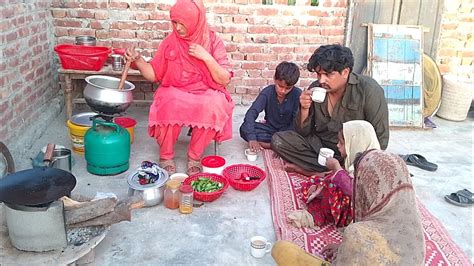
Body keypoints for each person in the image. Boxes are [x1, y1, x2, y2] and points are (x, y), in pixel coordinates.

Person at [125, 0, 234, 175]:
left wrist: (206, 57)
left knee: (214, 104)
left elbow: (224, 79)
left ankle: (194, 157)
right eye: (174, 22)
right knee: (168, 100)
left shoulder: (213, 42)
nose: (177, 28)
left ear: (194, 21)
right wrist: (138, 60)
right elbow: (154, 74)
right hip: (176, 90)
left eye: (181, 23)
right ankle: (166, 155)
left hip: (205, 92)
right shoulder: (171, 42)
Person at [272, 150, 425, 265]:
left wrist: (348, 249)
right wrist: (344, 248)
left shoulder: (358, 234)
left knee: (282, 249)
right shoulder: (416, 235)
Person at [271, 44, 389, 176]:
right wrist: (304, 108)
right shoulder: (316, 89)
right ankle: (332, 171)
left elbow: (381, 140)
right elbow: (303, 132)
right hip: (320, 147)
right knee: (278, 140)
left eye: (328, 74)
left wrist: (356, 161)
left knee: (368, 165)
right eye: (318, 74)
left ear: (345, 72)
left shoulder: (369, 90)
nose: (321, 80)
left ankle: (320, 171)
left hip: (351, 155)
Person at [293, 120, 380, 228]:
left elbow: (353, 190)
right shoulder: (355, 161)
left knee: (333, 186)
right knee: (326, 178)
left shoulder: (370, 167)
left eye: (342, 143)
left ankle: (323, 210)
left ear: (356, 143)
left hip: (357, 208)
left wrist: (336, 167)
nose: (337, 145)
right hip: (350, 194)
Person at [239, 61, 302, 152]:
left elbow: (296, 123)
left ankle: (270, 145)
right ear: (274, 79)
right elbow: (251, 114)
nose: (283, 91)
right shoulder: (267, 92)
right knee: (244, 128)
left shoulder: (297, 94)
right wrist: (252, 139)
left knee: (300, 138)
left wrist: (285, 137)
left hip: (287, 132)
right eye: (280, 86)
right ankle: (277, 145)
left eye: (288, 88)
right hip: (270, 130)